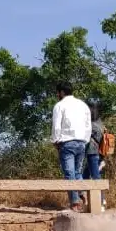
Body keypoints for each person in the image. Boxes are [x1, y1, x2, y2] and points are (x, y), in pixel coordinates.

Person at [51, 81, 91, 211]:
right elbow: (87, 125)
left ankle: (74, 203)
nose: (57, 95)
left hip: (67, 142)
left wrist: (55, 141)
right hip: (81, 142)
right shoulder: (83, 105)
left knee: (69, 173)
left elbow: (56, 125)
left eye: (58, 92)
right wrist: (85, 140)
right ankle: (82, 193)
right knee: (77, 172)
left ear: (61, 92)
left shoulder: (60, 105)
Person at [81, 98, 106, 211]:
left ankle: (100, 202)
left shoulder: (92, 125)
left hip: (92, 152)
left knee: (95, 177)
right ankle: (87, 200)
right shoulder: (100, 123)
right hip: (97, 153)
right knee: (85, 176)